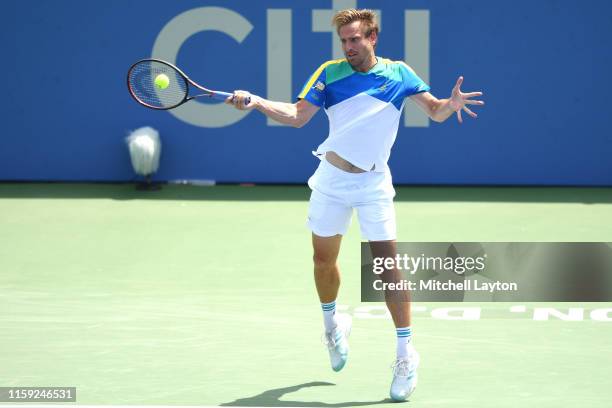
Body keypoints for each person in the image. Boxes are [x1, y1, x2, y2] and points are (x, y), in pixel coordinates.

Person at [226, 8, 484, 402]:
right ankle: (333, 324)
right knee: (322, 260)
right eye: (343, 40)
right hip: (331, 180)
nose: (348, 47)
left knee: (386, 268)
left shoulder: (399, 73)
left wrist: (450, 103)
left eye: (354, 39)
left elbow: (434, 111)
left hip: (373, 184)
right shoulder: (329, 73)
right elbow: (297, 117)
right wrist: (258, 101)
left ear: (372, 37)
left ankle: (405, 355)